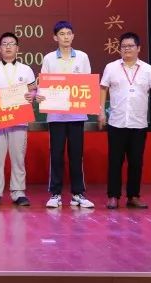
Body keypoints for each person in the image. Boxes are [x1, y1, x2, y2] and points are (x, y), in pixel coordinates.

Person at [99, 31, 151, 209]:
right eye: (123, 46)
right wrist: (101, 111)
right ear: (119, 49)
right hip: (116, 123)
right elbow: (103, 89)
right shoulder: (111, 67)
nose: (127, 49)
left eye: (130, 46)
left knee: (136, 162)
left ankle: (133, 196)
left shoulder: (149, 70)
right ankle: (113, 196)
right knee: (115, 161)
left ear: (138, 48)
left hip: (138, 123)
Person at [0, 32, 37, 207]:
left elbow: (34, 90)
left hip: (19, 120)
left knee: (18, 158)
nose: (8, 46)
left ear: (17, 48)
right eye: (5, 44)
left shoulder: (26, 69)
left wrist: (33, 95)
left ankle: (18, 192)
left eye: (11, 43)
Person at [41, 21, 95, 209]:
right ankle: (55, 194)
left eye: (68, 33)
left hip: (76, 115)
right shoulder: (49, 58)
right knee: (56, 154)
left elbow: (87, 84)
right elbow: (44, 83)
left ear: (73, 36)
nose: (65, 37)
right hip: (56, 116)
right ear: (55, 37)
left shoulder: (82, 57)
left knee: (76, 155)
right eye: (62, 34)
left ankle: (77, 194)